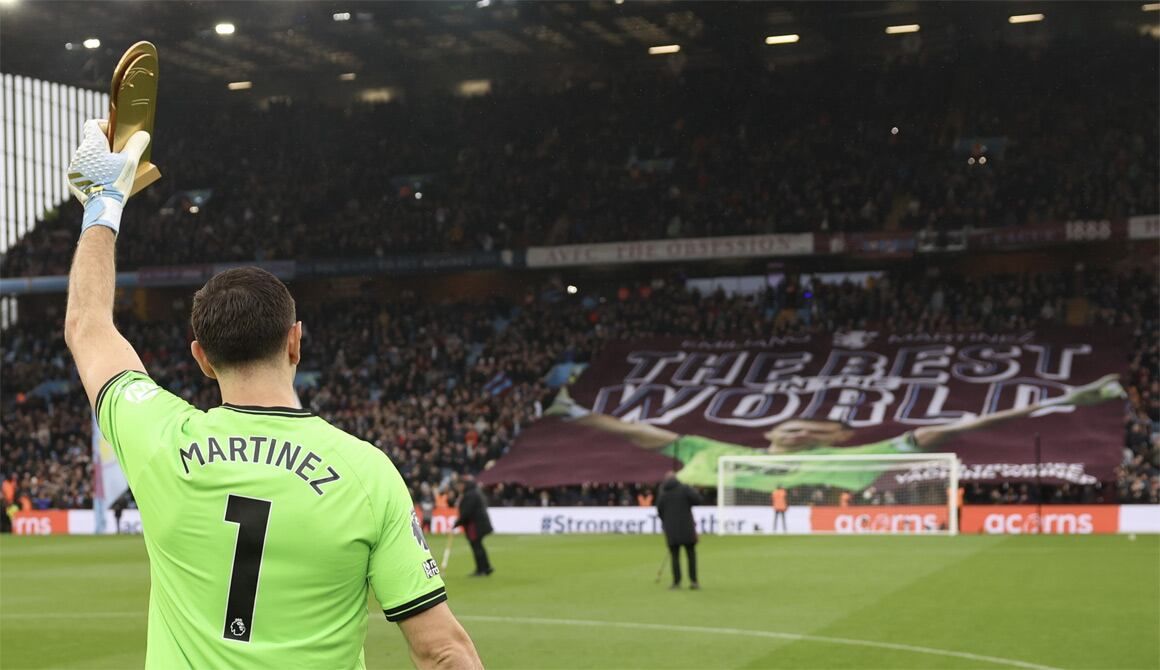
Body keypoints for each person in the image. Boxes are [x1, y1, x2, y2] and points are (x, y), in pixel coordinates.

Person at [63, 120, 481, 669]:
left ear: (202, 358)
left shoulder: (159, 438)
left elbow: (87, 326)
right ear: (295, 342)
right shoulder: (368, 473)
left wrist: (103, 206)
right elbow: (442, 652)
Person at [549, 376, 1125, 492]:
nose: (795, 430)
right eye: (789, 424)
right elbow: (630, 430)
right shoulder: (716, 451)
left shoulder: (861, 456)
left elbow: (963, 424)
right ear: (771, 429)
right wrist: (570, 412)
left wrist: (1068, 399)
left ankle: (1078, 394)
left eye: (808, 429)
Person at [656, 472, 700, 590]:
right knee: (691, 555)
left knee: (675, 556)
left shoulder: (663, 492)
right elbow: (698, 500)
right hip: (687, 527)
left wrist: (666, 522)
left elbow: (659, 511)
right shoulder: (685, 489)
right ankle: (694, 581)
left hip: (671, 529)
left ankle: (676, 582)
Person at [453, 476, 494, 577]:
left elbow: (467, 512)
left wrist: (457, 523)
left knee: (477, 546)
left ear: (462, 485)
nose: (458, 488)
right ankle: (486, 568)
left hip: (475, 525)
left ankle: (481, 569)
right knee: (478, 546)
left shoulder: (470, 494)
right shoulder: (473, 492)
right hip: (478, 524)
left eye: (458, 486)